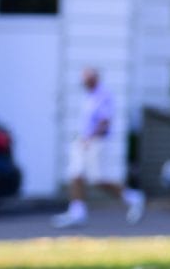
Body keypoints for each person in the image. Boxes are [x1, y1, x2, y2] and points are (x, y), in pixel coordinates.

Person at [52, 67, 143, 227]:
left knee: (98, 179)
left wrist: (90, 138)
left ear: (94, 79)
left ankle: (133, 197)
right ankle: (77, 213)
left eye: (86, 79)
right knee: (76, 174)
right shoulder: (89, 95)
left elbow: (104, 121)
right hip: (84, 142)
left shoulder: (103, 95)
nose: (83, 82)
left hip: (96, 142)